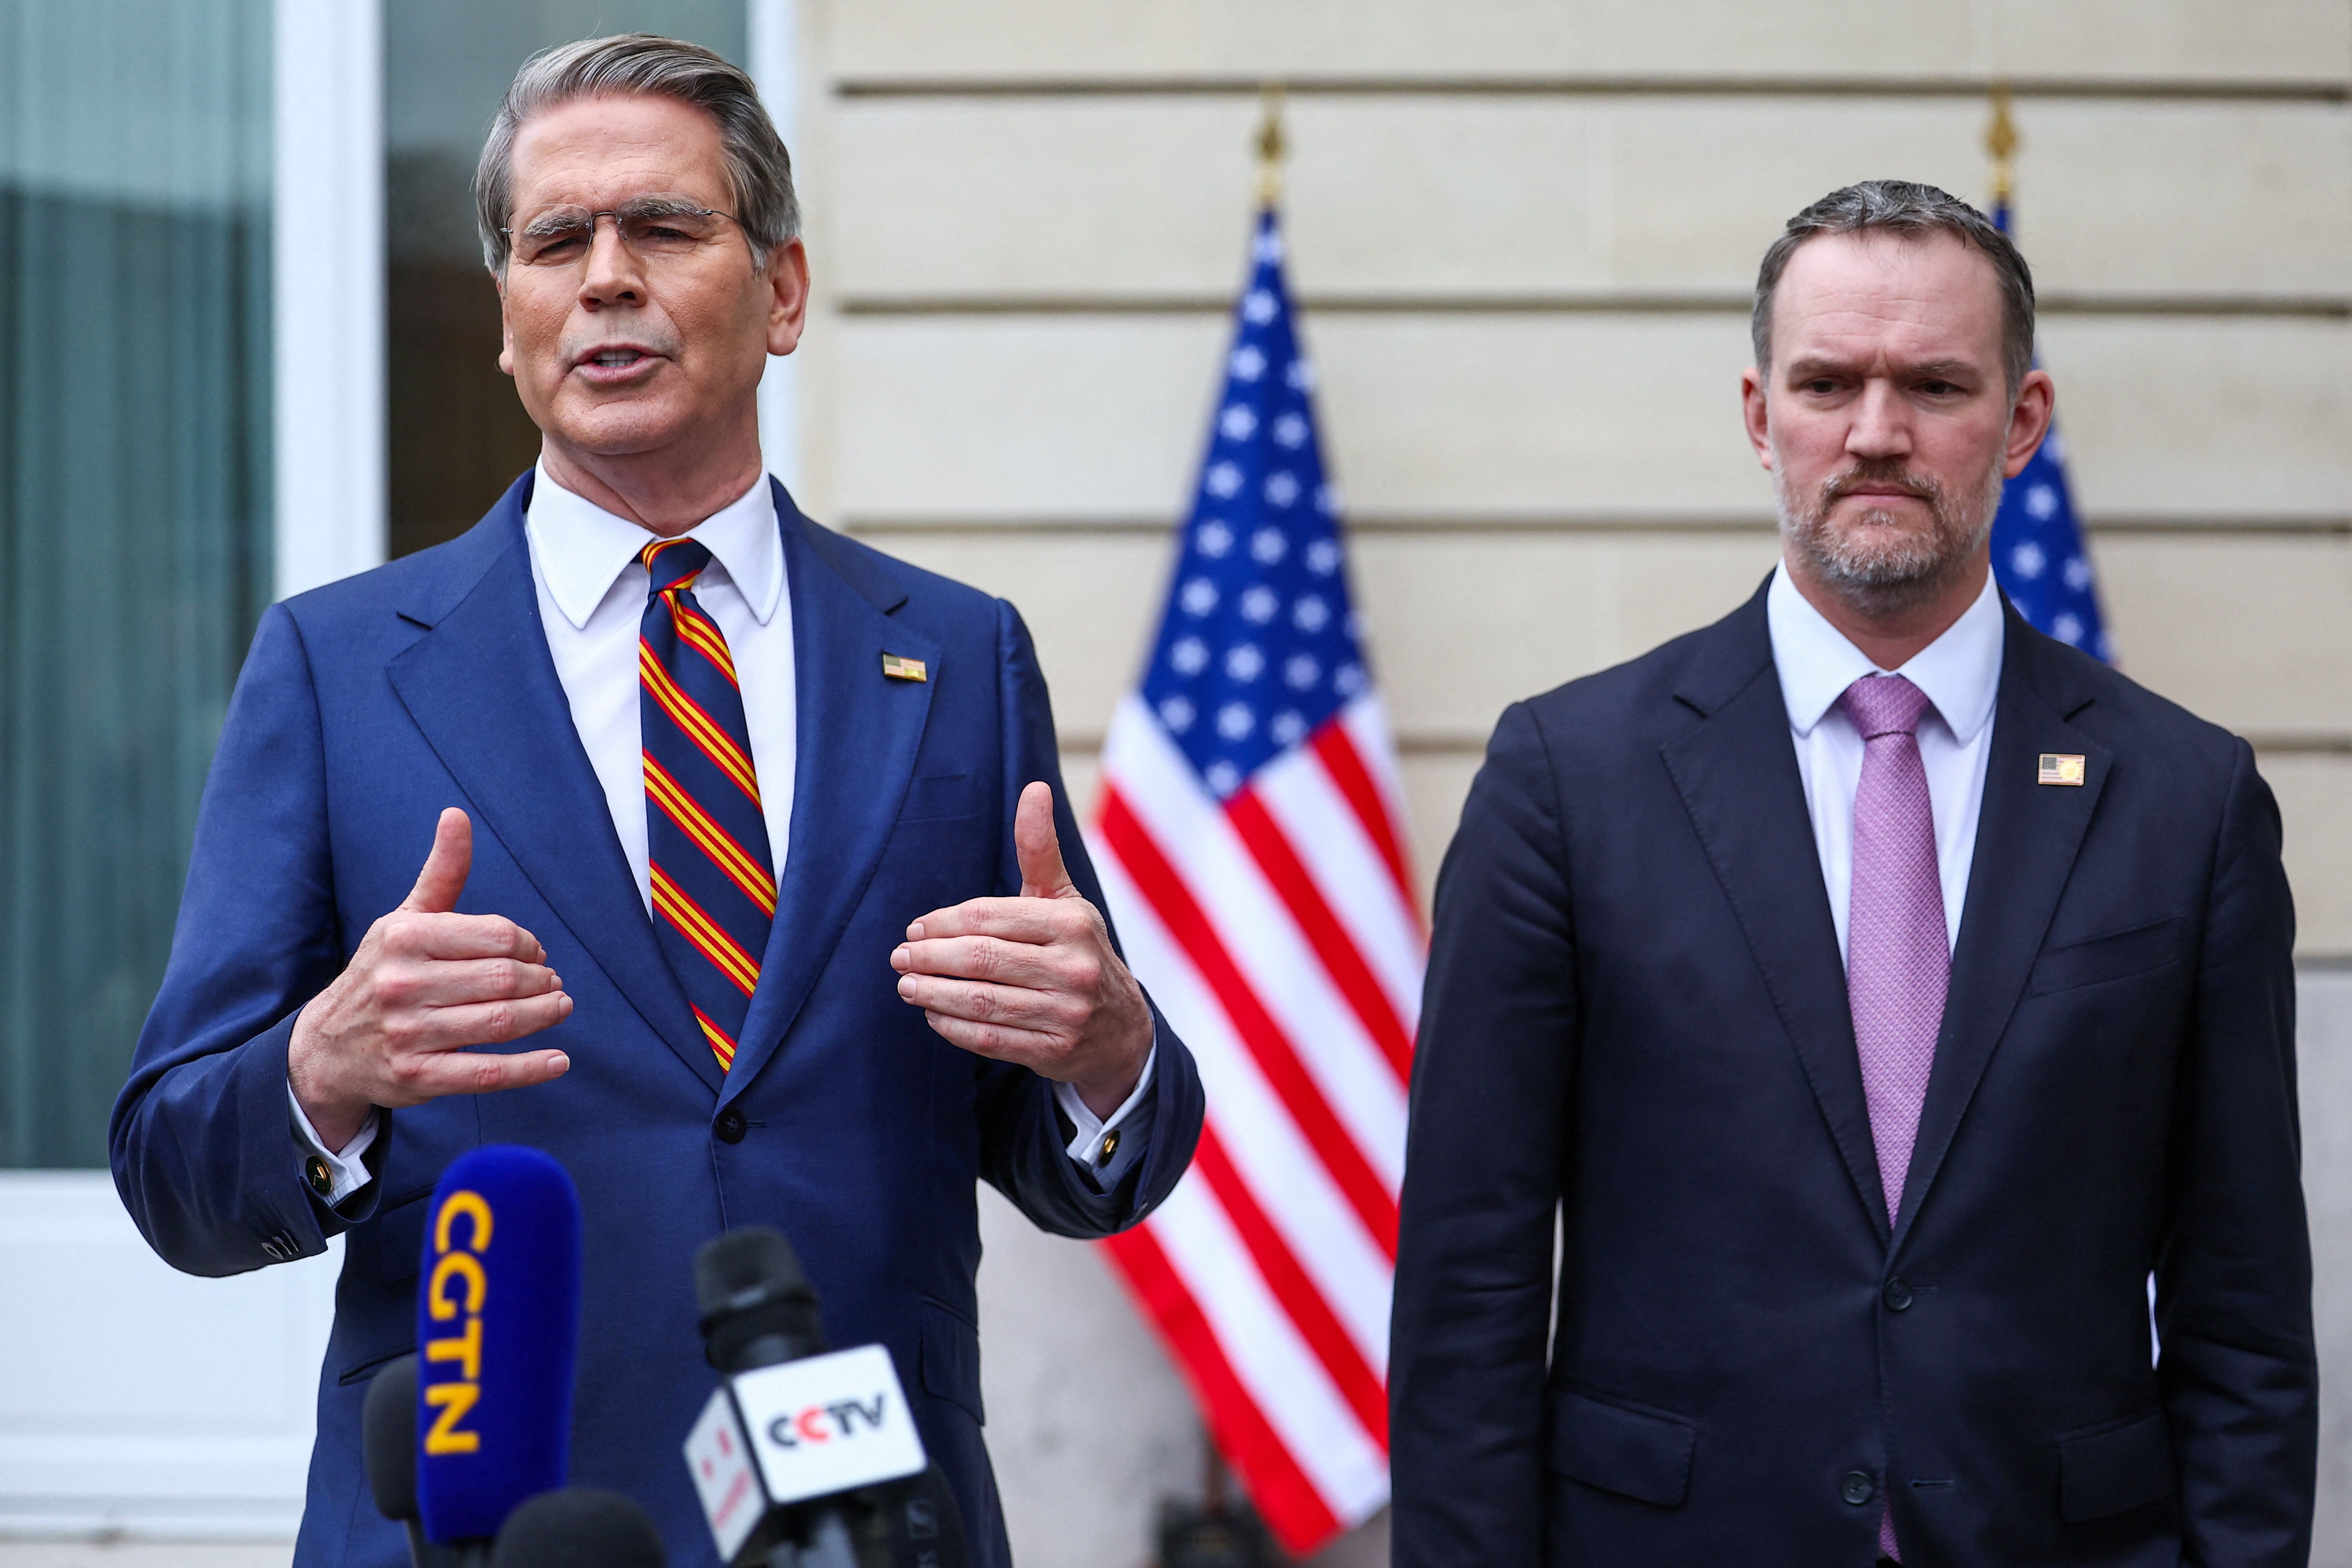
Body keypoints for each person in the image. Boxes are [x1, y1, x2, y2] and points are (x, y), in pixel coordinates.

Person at [110, 35, 1201, 1568]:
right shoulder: (339, 667)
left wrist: (1110, 1051)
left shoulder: (954, 656)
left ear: (785, 292)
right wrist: (322, 1067)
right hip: (488, 1528)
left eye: (664, 228)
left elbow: (1078, 1152)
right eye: (556, 242)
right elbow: (171, 1169)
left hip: (865, 1524)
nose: (605, 278)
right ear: (508, 319)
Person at [1389, 180, 2314, 1565]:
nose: (1875, 433)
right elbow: (1469, 1289)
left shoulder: (2184, 798)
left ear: (2021, 422)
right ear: (1761, 417)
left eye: (1934, 384)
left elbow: (2242, 1313)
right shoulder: (1565, 780)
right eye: (1827, 382)